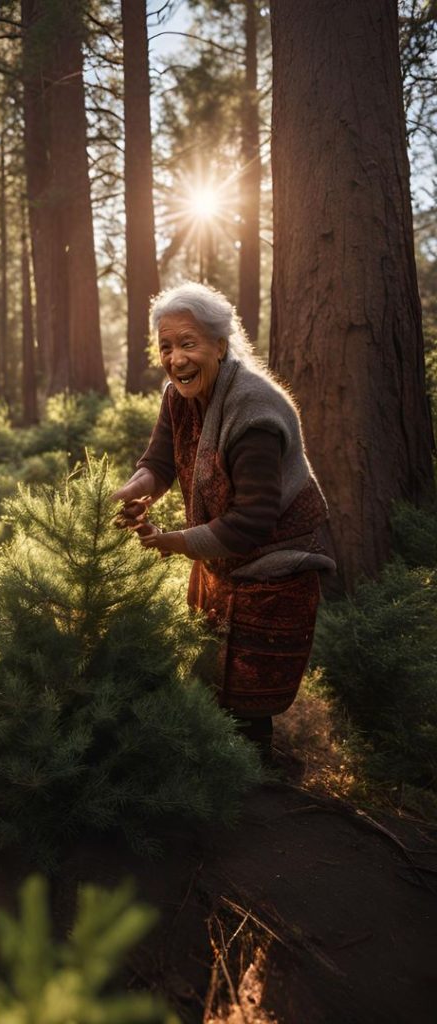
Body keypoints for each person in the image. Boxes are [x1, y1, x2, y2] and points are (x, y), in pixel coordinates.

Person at [111, 282, 335, 758]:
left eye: (188, 343)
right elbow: (160, 463)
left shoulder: (254, 413)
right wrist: (133, 491)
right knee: (211, 678)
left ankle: (256, 787)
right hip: (223, 559)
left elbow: (251, 522)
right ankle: (219, 771)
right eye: (166, 346)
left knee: (251, 700)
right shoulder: (178, 396)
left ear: (220, 344)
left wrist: (168, 541)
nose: (176, 359)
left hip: (277, 565)